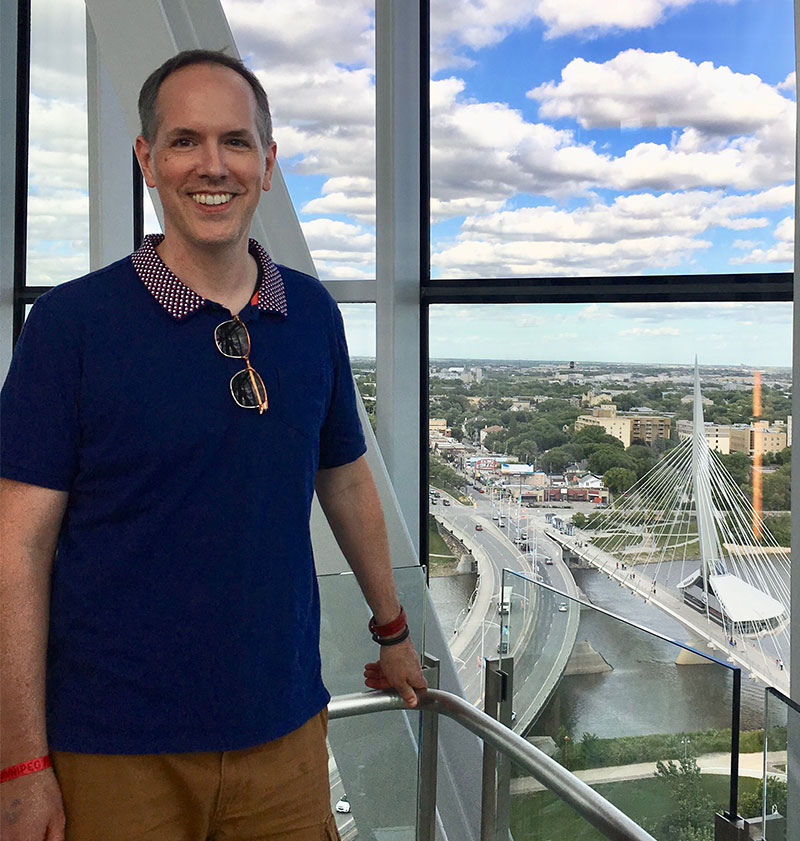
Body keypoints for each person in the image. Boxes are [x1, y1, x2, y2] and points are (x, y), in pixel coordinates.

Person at [0, 49, 426, 841]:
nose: (211, 165)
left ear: (267, 163)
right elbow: (15, 548)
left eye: (235, 142)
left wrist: (393, 631)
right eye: (184, 140)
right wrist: (21, 764)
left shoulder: (312, 317)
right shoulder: (70, 327)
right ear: (147, 160)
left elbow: (345, 480)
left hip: (284, 733)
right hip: (114, 748)